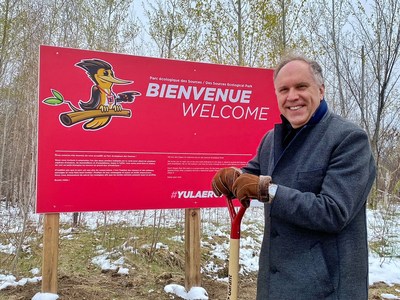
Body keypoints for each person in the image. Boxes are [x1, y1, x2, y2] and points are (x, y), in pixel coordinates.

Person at [211, 54, 376, 299]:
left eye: (301, 86)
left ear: (321, 90)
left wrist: (267, 190)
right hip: (275, 284)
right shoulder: (271, 139)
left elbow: (333, 211)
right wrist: (234, 178)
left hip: (326, 289)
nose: (292, 96)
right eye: (284, 89)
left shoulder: (348, 140)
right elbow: (252, 175)